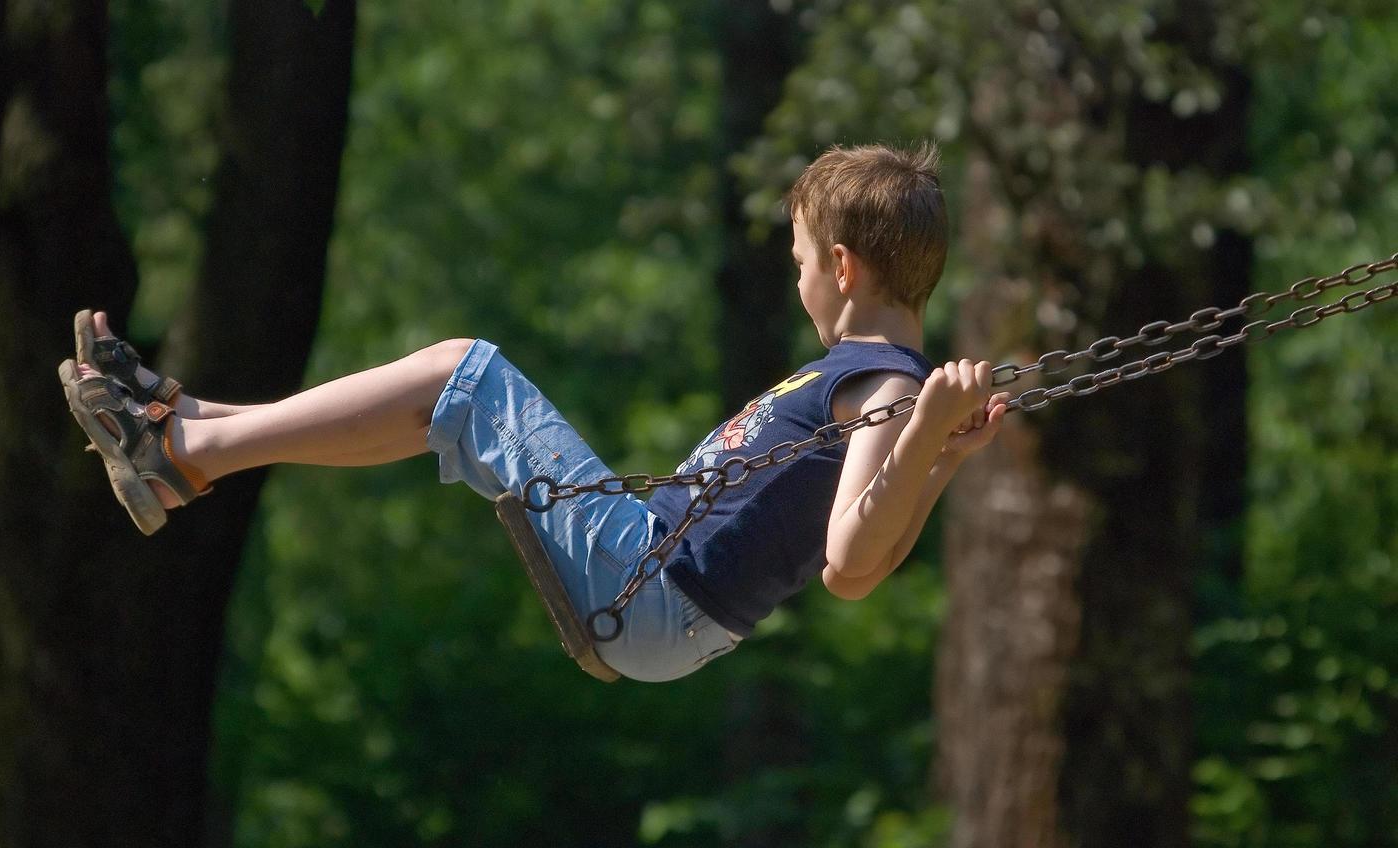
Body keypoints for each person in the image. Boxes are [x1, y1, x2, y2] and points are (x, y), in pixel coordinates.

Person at [60, 142, 1009, 682]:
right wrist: (944, 463)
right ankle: (197, 425)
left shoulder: (884, 388)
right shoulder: (880, 386)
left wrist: (926, 437)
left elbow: (847, 566)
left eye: (801, 259)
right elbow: (870, 560)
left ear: (842, 267)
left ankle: (188, 450)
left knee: (464, 369)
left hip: (653, 587)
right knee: (445, 403)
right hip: (656, 596)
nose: (798, 276)